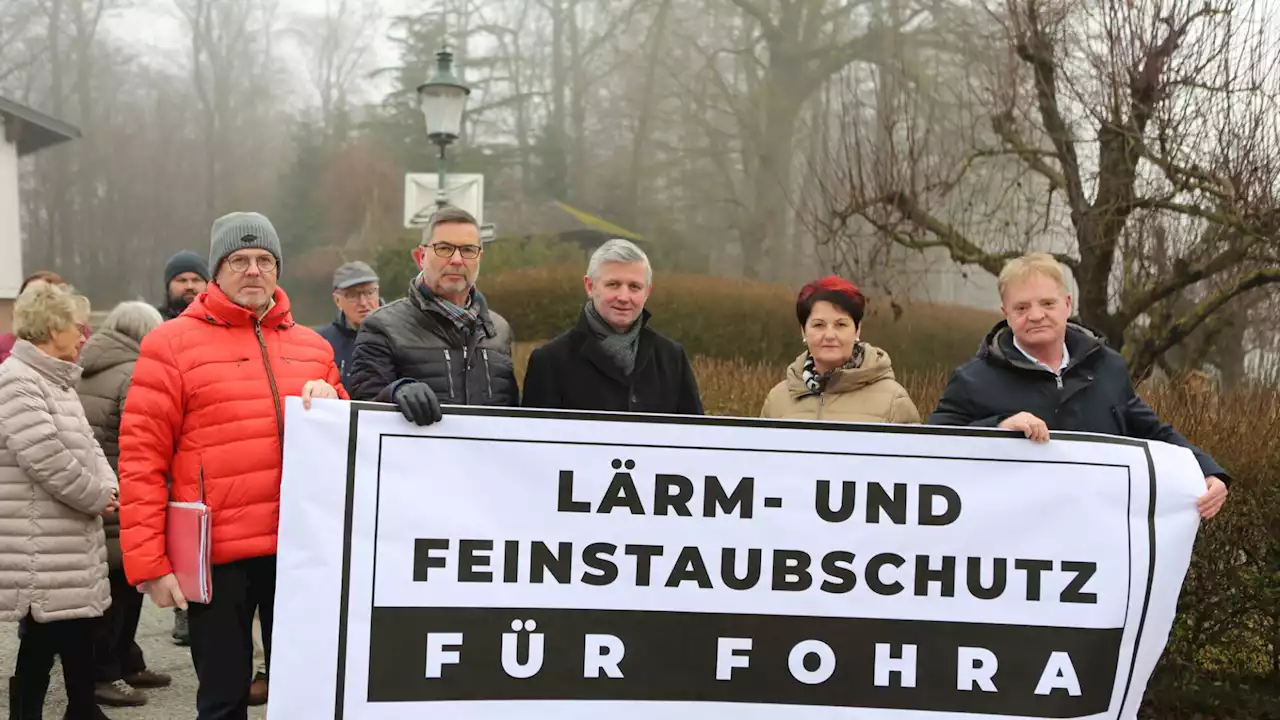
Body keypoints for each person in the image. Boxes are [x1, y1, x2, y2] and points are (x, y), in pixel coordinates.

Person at [118, 211, 346, 720]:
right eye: (238, 260)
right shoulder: (170, 344)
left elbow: (344, 433)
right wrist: (149, 562)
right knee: (223, 696)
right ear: (217, 270)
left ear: (278, 270)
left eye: (264, 260)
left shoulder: (313, 347)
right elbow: (141, 458)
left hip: (298, 551)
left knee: (303, 689)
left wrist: (334, 394)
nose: (253, 270)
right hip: (216, 555)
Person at [928, 252, 1230, 520]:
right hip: (1010, 554)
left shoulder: (1107, 367)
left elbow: (1151, 432)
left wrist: (1205, 470)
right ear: (1006, 313)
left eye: (1047, 303)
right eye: (1021, 308)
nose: (1035, 315)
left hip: (1096, 546)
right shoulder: (973, 378)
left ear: (1067, 304)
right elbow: (928, 450)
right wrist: (999, 428)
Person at [0, 282, 118, 720]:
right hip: (41, 547)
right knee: (42, 643)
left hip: (65, 541)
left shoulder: (57, 380)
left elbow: (87, 448)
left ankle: (83, 711)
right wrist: (98, 495)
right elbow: (48, 459)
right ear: (50, 328)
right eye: (76, 325)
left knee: (78, 634)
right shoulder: (18, 382)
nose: (84, 334)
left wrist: (109, 486)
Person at [76, 302, 172, 709]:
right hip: (125, 494)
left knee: (112, 586)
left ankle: (125, 661)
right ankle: (106, 674)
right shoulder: (134, 373)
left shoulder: (90, 364)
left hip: (98, 494)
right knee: (123, 588)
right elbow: (145, 438)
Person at [347, 206, 518, 424]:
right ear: (420, 256)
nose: (457, 260)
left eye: (467, 250)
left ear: (479, 258)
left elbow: (513, 414)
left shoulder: (499, 330)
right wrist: (395, 392)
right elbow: (362, 413)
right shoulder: (382, 327)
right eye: (444, 248)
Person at [522, 239, 703, 415]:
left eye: (634, 287)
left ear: (647, 292)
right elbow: (536, 441)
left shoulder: (672, 358)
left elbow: (695, 438)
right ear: (590, 286)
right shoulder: (550, 362)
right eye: (613, 285)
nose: (624, 297)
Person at [760, 276, 919, 423]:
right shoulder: (777, 402)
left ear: (857, 330)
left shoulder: (893, 402)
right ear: (803, 331)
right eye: (819, 325)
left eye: (841, 325)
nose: (829, 335)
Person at [316, 261, 381, 389]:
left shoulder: (398, 333)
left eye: (369, 292)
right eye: (353, 295)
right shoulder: (321, 342)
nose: (363, 302)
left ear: (378, 292)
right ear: (337, 300)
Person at [0, 271, 71, 364]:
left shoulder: (78, 341)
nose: (33, 302)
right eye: (27, 295)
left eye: (41, 296)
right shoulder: (4, 345)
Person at [157, 251, 210, 321]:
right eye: (182, 280)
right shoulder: (155, 323)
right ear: (168, 286)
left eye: (196, 280)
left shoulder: (219, 323)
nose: (189, 286)